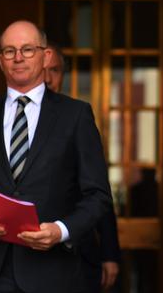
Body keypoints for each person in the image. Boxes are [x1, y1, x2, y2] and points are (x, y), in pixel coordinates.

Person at [0, 20, 112, 292]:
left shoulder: (75, 116)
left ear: (46, 56)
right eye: (9, 51)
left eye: (28, 49)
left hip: (54, 274)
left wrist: (61, 230)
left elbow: (98, 195)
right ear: (0, 61)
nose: (18, 58)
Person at [44, 45, 121, 292]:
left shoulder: (77, 117)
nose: (47, 78)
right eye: (43, 70)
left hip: (78, 253)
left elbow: (98, 189)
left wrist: (110, 252)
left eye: (54, 70)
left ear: (63, 74)